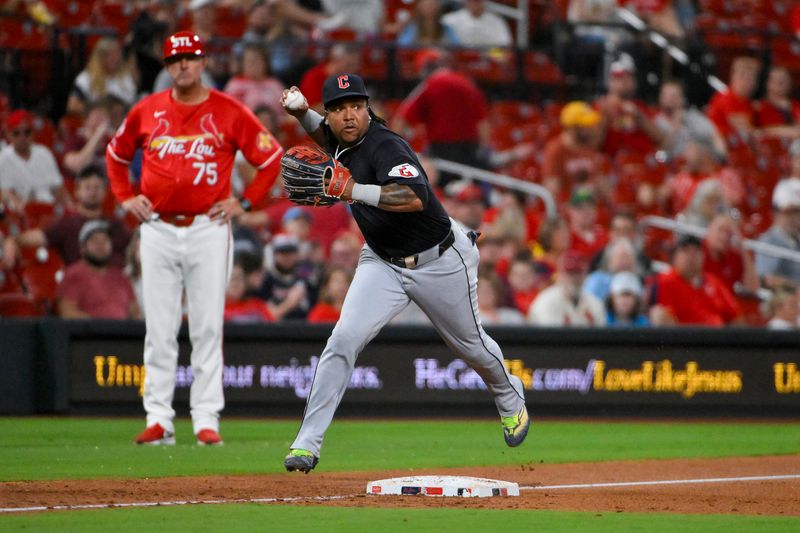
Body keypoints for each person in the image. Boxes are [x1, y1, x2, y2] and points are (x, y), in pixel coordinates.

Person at [279, 74, 529, 473]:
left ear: (367, 108)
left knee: (471, 347)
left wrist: (353, 191)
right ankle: (306, 444)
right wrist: (301, 114)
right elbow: (327, 137)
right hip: (381, 261)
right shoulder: (339, 137)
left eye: (356, 106)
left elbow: (413, 197)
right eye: (339, 108)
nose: (349, 115)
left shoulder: (386, 145)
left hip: (441, 261)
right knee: (343, 339)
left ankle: (509, 394)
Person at [105, 31, 284, 446]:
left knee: (206, 327)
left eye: (190, 58)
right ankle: (159, 419)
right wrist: (125, 197)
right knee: (160, 328)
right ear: (167, 67)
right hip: (159, 227)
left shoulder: (229, 110)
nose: (183, 65)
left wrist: (245, 201)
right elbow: (115, 155)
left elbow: (271, 157)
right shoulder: (146, 110)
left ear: (203, 63)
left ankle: (206, 419)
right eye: (175, 59)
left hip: (207, 226)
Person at [14, 166, 131, 267]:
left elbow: (135, 244)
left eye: (97, 187)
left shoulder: (115, 224)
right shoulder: (66, 224)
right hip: (79, 283)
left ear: (105, 192)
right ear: (77, 191)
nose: (92, 192)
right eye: (87, 187)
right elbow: (38, 237)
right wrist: (13, 240)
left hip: (115, 282)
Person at [56, 220, 140, 320]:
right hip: (89, 333)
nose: (101, 245)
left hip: (123, 333)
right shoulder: (73, 275)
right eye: (95, 241)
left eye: (105, 240)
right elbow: (67, 312)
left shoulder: (120, 276)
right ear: (83, 248)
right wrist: (101, 326)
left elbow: (135, 312)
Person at [650, 235, 740, 326]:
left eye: (696, 251)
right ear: (675, 256)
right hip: (685, 337)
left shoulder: (714, 282)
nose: (691, 256)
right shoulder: (665, 281)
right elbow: (661, 317)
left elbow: (734, 315)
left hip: (717, 337)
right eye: (686, 251)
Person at [0, 110, 71, 212]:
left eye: (27, 132)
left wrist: (69, 208)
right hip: (21, 211)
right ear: (9, 134)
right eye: (16, 133)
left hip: (48, 208)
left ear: (33, 133)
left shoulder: (44, 153)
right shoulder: (3, 158)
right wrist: (24, 211)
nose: (22, 137)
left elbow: (57, 188)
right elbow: (5, 193)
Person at [595, 54, 664, 157]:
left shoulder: (640, 106)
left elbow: (659, 138)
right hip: (611, 163)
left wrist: (639, 116)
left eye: (629, 78)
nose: (625, 82)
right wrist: (605, 117)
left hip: (640, 163)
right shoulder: (600, 106)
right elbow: (593, 144)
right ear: (611, 82)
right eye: (620, 78)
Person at [541, 100, 610, 204]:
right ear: (572, 128)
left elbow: (599, 181)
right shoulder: (555, 150)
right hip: (571, 208)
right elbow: (552, 189)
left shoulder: (588, 146)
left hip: (590, 207)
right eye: (585, 125)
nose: (590, 128)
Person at [528, 250, 606, 326]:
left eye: (578, 273)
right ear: (560, 275)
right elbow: (549, 337)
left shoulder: (595, 303)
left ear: (585, 275)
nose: (574, 278)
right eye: (570, 273)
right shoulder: (546, 302)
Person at [654, 80, 726, 161]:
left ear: (682, 99)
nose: (669, 100)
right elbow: (660, 150)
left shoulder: (691, 116)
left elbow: (714, 134)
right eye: (665, 96)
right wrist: (675, 124)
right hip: (673, 164)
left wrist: (722, 158)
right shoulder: (656, 122)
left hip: (701, 161)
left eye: (673, 96)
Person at [66, 37, 138, 116]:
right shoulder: (86, 78)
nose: (115, 58)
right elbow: (72, 106)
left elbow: (133, 105)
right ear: (100, 57)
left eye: (117, 54)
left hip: (120, 121)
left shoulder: (126, 78)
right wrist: (98, 111)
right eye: (110, 55)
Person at [756, 178, 800, 290]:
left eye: (797, 212)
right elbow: (766, 278)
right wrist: (795, 287)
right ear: (776, 212)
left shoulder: (795, 239)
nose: (794, 218)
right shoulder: (770, 241)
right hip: (785, 301)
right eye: (788, 213)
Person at [706, 56, 760, 145]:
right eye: (744, 76)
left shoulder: (747, 102)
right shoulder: (726, 98)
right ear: (733, 76)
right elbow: (746, 130)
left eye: (752, 78)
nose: (749, 83)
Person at [223, 43, 285, 116]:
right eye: (248, 61)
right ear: (242, 63)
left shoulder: (275, 85)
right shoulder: (234, 85)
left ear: (265, 62)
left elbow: (286, 114)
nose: (252, 64)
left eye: (256, 60)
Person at [441, 0, 512, 48]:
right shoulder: (449, 20)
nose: (474, 3)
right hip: (458, 64)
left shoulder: (497, 22)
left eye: (477, 1)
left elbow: (505, 48)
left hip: (487, 65)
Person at [755, 66, 800, 141]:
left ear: (789, 83)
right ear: (768, 83)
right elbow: (767, 130)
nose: (779, 83)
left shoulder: (796, 105)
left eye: (783, 80)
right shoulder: (761, 107)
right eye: (775, 80)